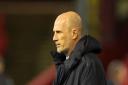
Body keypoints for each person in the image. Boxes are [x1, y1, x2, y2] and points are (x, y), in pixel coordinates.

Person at [51, 11, 106, 85]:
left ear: (74, 34)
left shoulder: (89, 64)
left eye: (59, 32)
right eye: (54, 33)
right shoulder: (64, 65)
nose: (54, 38)